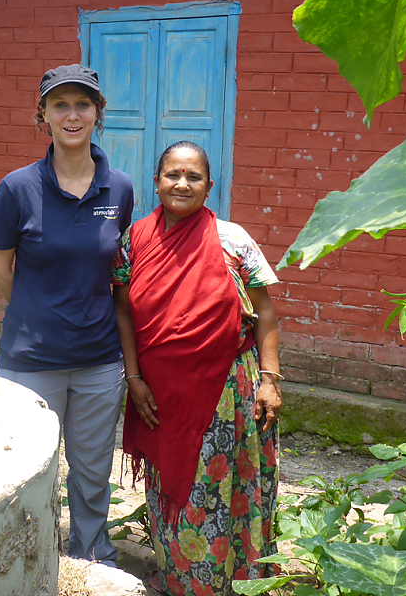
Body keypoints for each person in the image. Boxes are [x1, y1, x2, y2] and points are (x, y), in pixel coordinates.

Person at [111, 141, 280, 596]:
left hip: (228, 394)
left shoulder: (233, 240)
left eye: (194, 177)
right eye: (172, 175)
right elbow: (124, 312)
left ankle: (237, 584)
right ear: (156, 182)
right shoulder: (134, 241)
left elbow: (265, 313)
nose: (182, 184)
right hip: (160, 398)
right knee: (176, 497)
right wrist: (134, 378)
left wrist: (270, 380)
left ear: (209, 186)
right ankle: (180, 581)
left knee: (228, 491)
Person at [0, 64, 135, 565]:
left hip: (98, 359)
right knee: (28, 467)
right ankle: (29, 559)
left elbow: (116, 268)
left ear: (98, 114)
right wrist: (37, 311)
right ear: (43, 115)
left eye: (83, 105)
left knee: (92, 469)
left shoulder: (120, 189)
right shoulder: (17, 188)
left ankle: (91, 556)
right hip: (30, 359)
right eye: (60, 105)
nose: (73, 115)